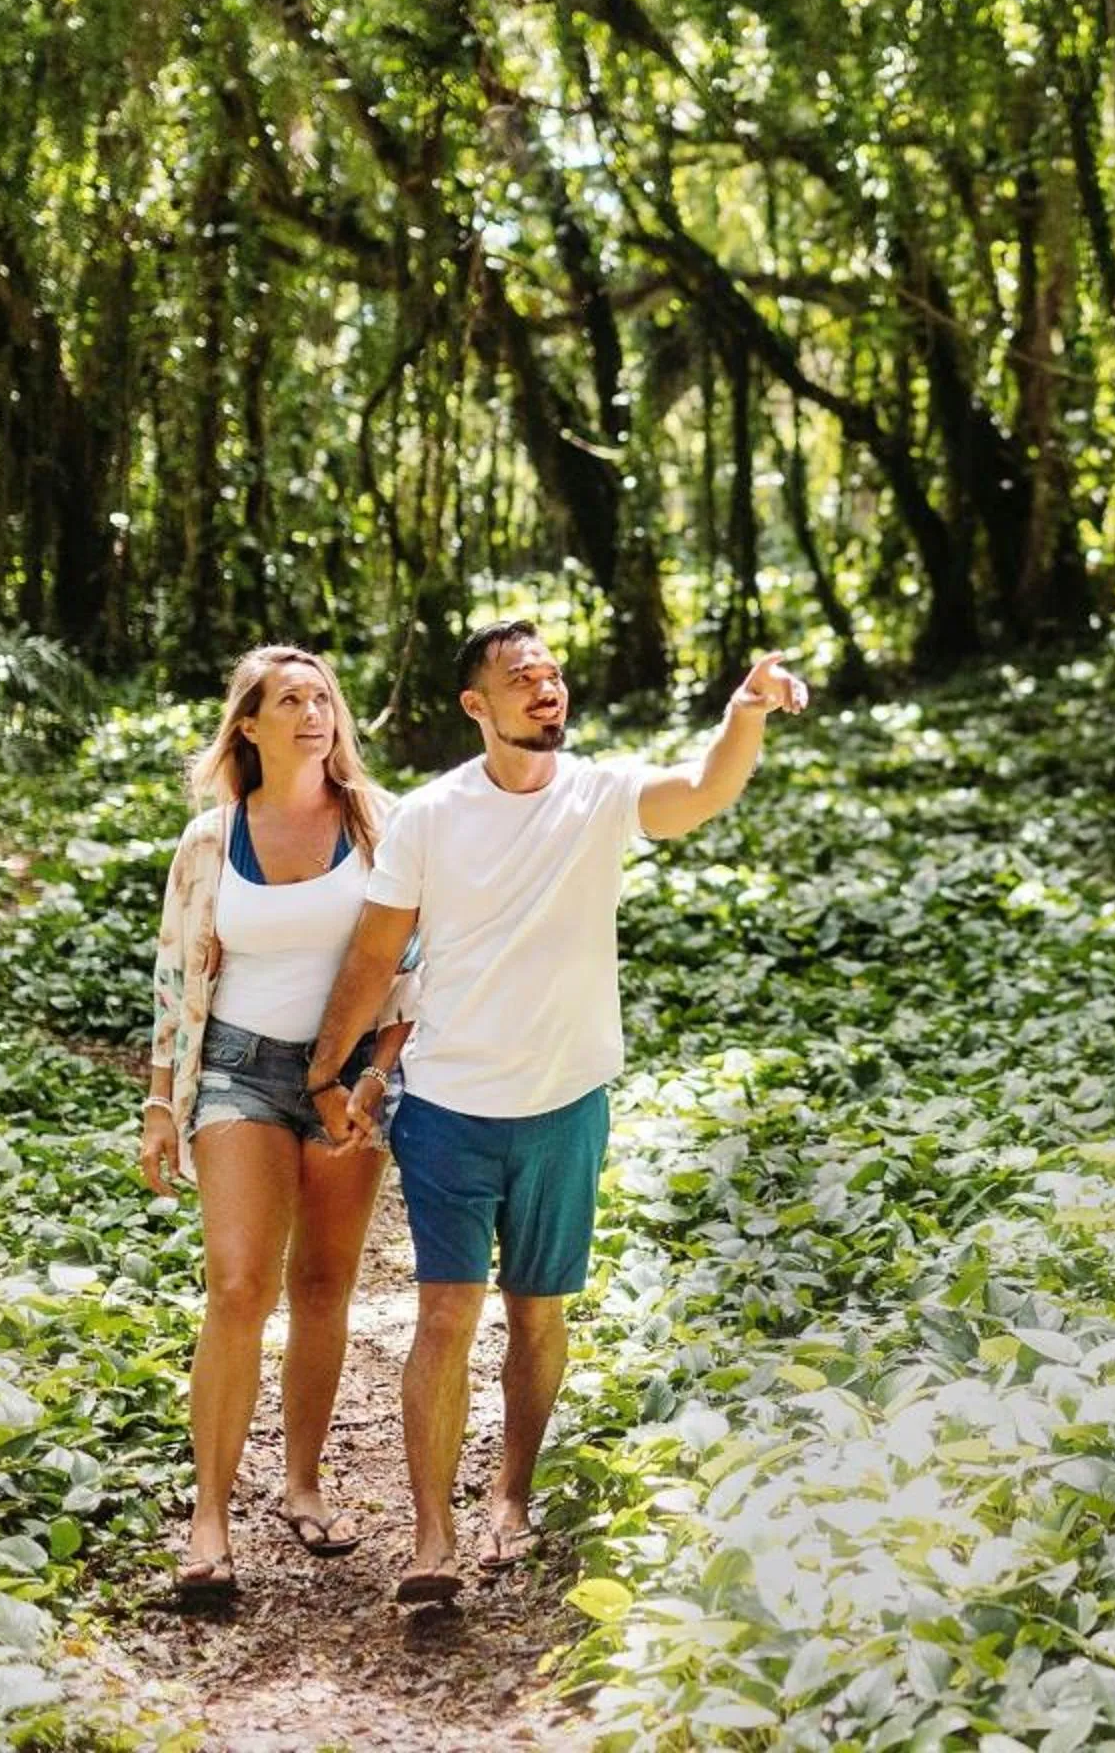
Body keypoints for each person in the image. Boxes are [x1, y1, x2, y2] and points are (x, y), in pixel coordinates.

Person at [301, 620, 806, 1605]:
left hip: (566, 1103)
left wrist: (743, 714)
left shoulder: (600, 792)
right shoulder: (431, 818)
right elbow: (374, 959)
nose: (544, 687)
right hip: (449, 1104)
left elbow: (699, 791)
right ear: (475, 706)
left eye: (551, 672)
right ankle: (433, 1536)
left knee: (539, 1312)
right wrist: (329, 1071)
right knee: (447, 1313)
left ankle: (513, 1493)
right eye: (519, 676)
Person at [140, 646, 418, 1607]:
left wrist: (375, 1076)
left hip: (350, 1079)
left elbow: (413, 968)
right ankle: (209, 1522)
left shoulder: (379, 826)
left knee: (325, 1283)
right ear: (247, 726)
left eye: (323, 698)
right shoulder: (211, 841)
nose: (312, 713)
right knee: (238, 1283)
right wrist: (158, 1104)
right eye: (288, 700)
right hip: (238, 1072)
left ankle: (301, 1483)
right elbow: (178, 979)